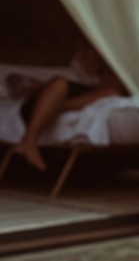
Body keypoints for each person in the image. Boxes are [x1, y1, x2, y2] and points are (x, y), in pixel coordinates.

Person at [12, 42, 127, 171]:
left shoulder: (107, 75)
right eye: (92, 50)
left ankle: (53, 107)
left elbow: (111, 90)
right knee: (59, 84)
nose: (97, 54)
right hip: (38, 103)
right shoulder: (74, 69)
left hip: (64, 102)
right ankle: (29, 141)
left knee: (112, 92)